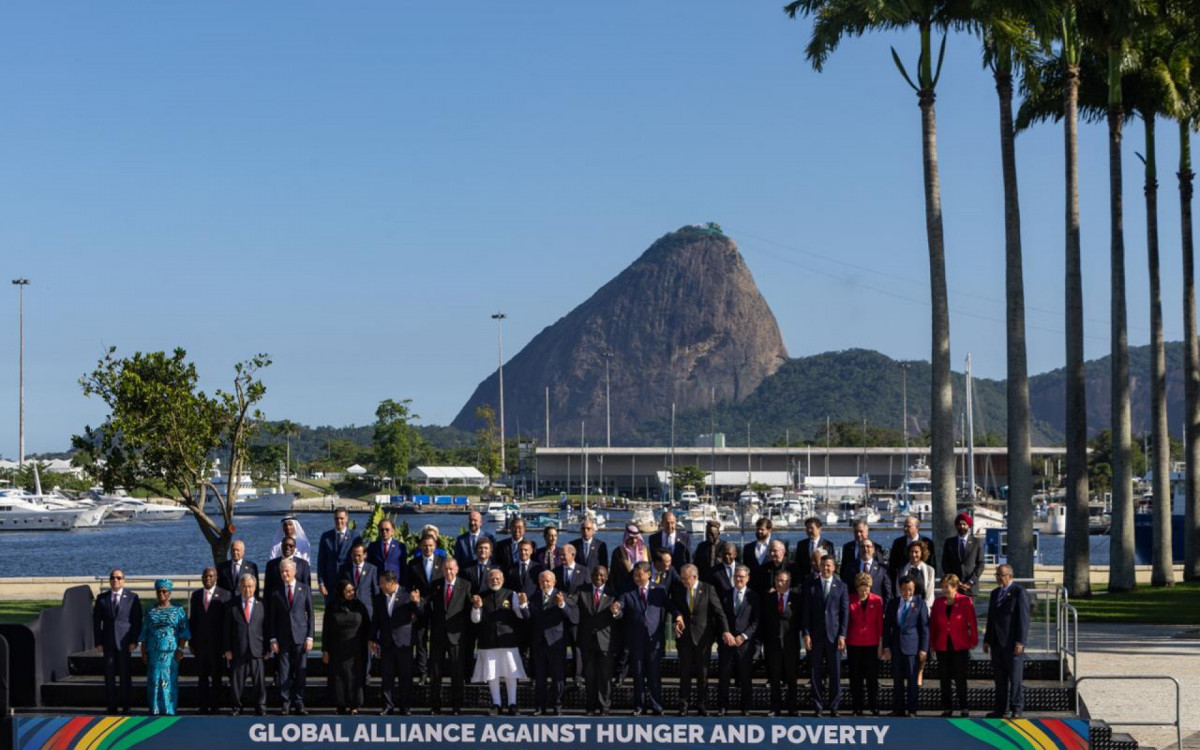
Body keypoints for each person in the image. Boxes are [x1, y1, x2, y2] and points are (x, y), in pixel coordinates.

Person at [671, 563, 728, 716]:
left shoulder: (708, 589)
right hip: (684, 638)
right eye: (682, 578)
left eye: (686, 578)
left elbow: (719, 612)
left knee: (703, 674)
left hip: (703, 638)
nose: (683, 581)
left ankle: (702, 705)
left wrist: (726, 632)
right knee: (684, 672)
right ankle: (684, 705)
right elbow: (674, 607)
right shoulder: (679, 589)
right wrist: (677, 618)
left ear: (694, 577)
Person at [471, 568, 528, 716]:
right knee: (492, 674)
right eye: (491, 579)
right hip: (488, 641)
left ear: (502, 580)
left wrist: (523, 605)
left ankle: (512, 703)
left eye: (497, 578)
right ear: (487, 580)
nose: (494, 581)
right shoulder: (481, 596)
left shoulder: (511, 594)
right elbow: (476, 619)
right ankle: (496, 704)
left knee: (511, 673)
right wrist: (476, 607)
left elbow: (521, 616)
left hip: (508, 640)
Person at [614, 562, 666, 716]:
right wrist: (616, 610)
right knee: (638, 674)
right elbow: (620, 608)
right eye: (634, 575)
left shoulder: (659, 590)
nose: (636, 578)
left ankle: (657, 705)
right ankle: (639, 706)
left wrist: (678, 617)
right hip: (635, 641)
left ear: (648, 574)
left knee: (654, 675)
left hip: (653, 640)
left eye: (639, 574)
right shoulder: (627, 591)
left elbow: (670, 606)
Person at [526, 570, 578, 715]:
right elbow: (528, 618)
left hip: (556, 643)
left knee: (558, 677)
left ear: (554, 582)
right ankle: (539, 707)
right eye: (542, 581)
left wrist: (562, 604)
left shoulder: (562, 595)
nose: (545, 583)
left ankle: (558, 706)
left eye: (548, 581)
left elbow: (573, 617)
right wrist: (524, 606)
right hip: (538, 643)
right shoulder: (534, 597)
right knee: (540, 677)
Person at [267, 558, 314, 716]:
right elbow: (271, 617)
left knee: (300, 672)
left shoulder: (304, 589)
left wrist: (310, 637)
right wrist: (272, 638)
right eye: (282, 571)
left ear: (294, 572)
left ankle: (299, 702)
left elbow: (311, 615)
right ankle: (285, 703)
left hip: (301, 637)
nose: (284, 574)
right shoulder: (275, 591)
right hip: (282, 639)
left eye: (287, 571)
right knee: (284, 671)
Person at [370, 571, 421, 716]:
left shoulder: (407, 595)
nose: (379, 586)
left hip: (403, 643)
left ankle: (405, 707)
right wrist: (373, 638)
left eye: (382, 583)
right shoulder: (379, 598)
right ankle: (388, 705)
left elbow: (419, 613)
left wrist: (416, 602)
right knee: (387, 676)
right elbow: (376, 620)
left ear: (391, 582)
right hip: (386, 643)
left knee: (405, 676)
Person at [983, 564, 1030, 718]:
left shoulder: (1019, 592)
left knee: (1015, 678)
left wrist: (1020, 642)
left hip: (1012, 643)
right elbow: (991, 618)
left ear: (1010, 576)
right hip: (997, 642)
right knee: (999, 679)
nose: (998, 577)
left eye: (1001, 575)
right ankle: (1000, 709)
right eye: (997, 574)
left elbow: (1023, 619)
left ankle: (1016, 708)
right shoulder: (995, 593)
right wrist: (987, 639)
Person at [93, 568, 142, 715]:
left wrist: (134, 640)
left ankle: (126, 705)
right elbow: (96, 622)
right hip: (107, 643)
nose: (116, 580)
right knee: (109, 675)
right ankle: (112, 705)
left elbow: (137, 620)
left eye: (119, 578)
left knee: (125, 675)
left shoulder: (132, 597)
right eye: (113, 578)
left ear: (124, 580)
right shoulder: (102, 598)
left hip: (125, 643)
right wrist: (98, 642)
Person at [572, 565, 619, 715]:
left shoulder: (613, 594)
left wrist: (616, 612)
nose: (598, 578)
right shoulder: (582, 590)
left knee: (605, 678)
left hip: (605, 642)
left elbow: (620, 614)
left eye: (602, 575)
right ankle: (590, 707)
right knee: (590, 676)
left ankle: (605, 707)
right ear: (591, 576)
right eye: (596, 575)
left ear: (607, 576)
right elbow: (570, 601)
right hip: (587, 641)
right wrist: (560, 601)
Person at [805, 555, 849, 716]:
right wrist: (806, 634)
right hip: (816, 636)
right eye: (823, 565)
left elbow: (845, 613)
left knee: (835, 673)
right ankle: (818, 706)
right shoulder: (811, 585)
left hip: (834, 636)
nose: (826, 568)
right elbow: (806, 612)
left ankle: (834, 706)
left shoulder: (842, 586)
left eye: (829, 565)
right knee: (815, 673)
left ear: (834, 567)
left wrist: (842, 635)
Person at [138, 579, 190, 715]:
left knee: (169, 681)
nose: (161, 593)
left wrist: (180, 649)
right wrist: (143, 652)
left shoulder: (178, 610)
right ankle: (154, 709)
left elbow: (184, 632)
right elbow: (145, 631)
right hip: (154, 652)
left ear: (170, 593)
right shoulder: (150, 610)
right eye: (158, 591)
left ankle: (169, 710)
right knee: (154, 681)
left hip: (171, 653)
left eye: (164, 591)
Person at [427, 558, 472, 715]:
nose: (449, 572)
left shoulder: (465, 585)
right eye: (446, 569)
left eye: (451, 569)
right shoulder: (436, 585)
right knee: (435, 673)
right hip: (438, 636)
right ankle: (435, 706)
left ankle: (457, 707)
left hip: (457, 636)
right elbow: (428, 608)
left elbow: (469, 610)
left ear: (457, 569)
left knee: (457, 674)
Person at [931, 574, 978, 717]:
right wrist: (931, 643)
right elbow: (933, 624)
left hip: (960, 645)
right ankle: (947, 707)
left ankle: (964, 707)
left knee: (960, 677)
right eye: (942, 587)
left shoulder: (965, 601)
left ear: (955, 586)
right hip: (942, 645)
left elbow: (972, 622)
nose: (944, 590)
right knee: (944, 678)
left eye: (947, 587)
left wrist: (973, 640)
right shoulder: (938, 602)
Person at [322, 579, 372, 714]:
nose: (351, 593)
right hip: (337, 648)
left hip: (356, 649)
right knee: (338, 677)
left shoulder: (359, 606)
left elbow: (367, 626)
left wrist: (371, 641)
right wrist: (325, 650)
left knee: (354, 677)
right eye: (347, 591)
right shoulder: (332, 607)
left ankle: (354, 705)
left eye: (353, 591)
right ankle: (340, 705)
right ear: (341, 591)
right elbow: (326, 630)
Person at [883, 576, 929, 717]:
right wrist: (886, 646)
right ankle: (898, 709)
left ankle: (912, 709)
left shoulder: (920, 603)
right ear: (900, 589)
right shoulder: (892, 603)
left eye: (910, 589)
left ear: (914, 589)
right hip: (896, 648)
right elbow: (887, 627)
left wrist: (923, 649)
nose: (907, 592)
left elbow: (925, 628)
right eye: (904, 589)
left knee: (912, 680)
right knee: (897, 681)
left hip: (912, 648)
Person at [717, 564, 757, 717]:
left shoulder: (753, 596)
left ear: (747, 578)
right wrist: (726, 633)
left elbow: (756, 621)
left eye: (741, 577)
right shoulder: (725, 594)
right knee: (724, 675)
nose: (738, 579)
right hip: (727, 641)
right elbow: (720, 616)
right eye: (736, 576)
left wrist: (744, 636)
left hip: (744, 644)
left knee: (745, 676)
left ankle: (746, 707)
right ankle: (723, 707)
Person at [188, 567, 230, 714]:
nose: (208, 579)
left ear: (216, 578)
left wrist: (226, 646)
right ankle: (203, 705)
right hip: (200, 645)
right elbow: (193, 620)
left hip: (217, 646)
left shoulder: (225, 595)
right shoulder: (196, 595)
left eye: (211, 576)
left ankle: (215, 705)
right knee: (202, 677)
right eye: (205, 576)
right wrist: (191, 642)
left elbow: (226, 623)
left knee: (216, 677)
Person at [225, 573, 267, 716]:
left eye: (250, 587)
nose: (247, 590)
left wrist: (267, 648)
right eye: (244, 586)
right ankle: (237, 707)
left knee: (259, 681)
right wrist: (227, 648)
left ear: (254, 587)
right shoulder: (232, 605)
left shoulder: (261, 604)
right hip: (238, 649)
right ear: (240, 587)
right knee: (237, 681)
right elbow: (226, 629)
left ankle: (260, 706)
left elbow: (266, 627)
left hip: (257, 648)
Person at [761, 569, 800, 716]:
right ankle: (775, 708)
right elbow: (764, 621)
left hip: (791, 644)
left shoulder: (796, 598)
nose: (779, 583)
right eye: (777, 580)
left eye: (783, 580)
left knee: (791, 677)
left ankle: (792, 707)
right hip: (772, 645)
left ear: (789, 583)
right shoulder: (768, 598)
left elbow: (800, 620)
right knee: (774, 678)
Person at [845, 572, 884, 717]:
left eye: (867, 588)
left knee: (872, 678)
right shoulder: (849, 599)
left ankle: (874, 706)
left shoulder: (877, 600)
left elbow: (880, 623)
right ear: (856, 588)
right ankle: (857, 707)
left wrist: (880, 644)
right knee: (855, 678)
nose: (864, 592)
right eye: (861, 589)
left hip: (872, 644)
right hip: (854, 643)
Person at [406, 535, 442, 683]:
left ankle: (435, 673)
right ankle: (423, 673)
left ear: (435, 546)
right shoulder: (413, 564)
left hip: (438, 606)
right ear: (420, 546)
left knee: (436, 640)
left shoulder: (442, 562)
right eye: (425, 545)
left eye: (431, 545)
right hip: (419, 606)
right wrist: (413, 608)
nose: (428, 548)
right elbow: (409, 586)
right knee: (420, 640)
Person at [317, 508, 361, 600]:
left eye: (341, 518)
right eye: (336, 518)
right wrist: (321, 582)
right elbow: (321, 561)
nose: (339, 521)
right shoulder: (326, 537)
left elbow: (359, 560)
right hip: (330, 583)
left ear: (347, 519)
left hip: (348, 582)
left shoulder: (355, 536)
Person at [941, 513, 984, 596]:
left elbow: (980, 564)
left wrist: (971, 581)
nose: (962, 526)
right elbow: (945, 563)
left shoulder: (976, 542)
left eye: (964, 524)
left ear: (968, 526)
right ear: (956, 526)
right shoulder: (949, 542)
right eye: (959, 524)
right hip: (954, 587)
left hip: (971, 588)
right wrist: (955, 581)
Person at [265, 536, 312, 601]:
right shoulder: (271, 565)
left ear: (295, 547)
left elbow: (307, 588)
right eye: (285, 545)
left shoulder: (303, 564)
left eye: (291, 545)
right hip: (277, 604)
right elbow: (267, 589)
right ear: (281, 546)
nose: (287, 547)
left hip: (298, 603)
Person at [894, 539, 936, 611]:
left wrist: (925, 609)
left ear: (922, 553)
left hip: (923, 608)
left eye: (916, 552)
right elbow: (898, 590)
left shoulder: (930, 571)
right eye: (911, 552)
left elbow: (930, 592)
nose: (913, 554)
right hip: (906, 608)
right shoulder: (902, 570)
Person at [743, 518, 783, 593]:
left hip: (771, 592)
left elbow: (782, 566)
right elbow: (745, 569)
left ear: (769, 530)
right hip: (752, 591)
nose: (759, 532)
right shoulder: (748, 548)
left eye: (762, 529)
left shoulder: (777, 546)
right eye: (757, 529)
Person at [839, 520, 881, 586]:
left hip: (872, 587)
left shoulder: (877, 547)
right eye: (856, 532)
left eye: (861, 531)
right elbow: (843, 569)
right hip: (852, 587)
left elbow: (880, 569)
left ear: (867, 532)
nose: (858, 534)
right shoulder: (847, 547)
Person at [610, 524, 650, 593]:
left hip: (642, 589)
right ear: (626, 537)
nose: (634, 541)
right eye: (631, 538)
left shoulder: (646, 551)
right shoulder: (618, 552)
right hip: (624, 589)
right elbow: (613, 574)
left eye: (636, 538)